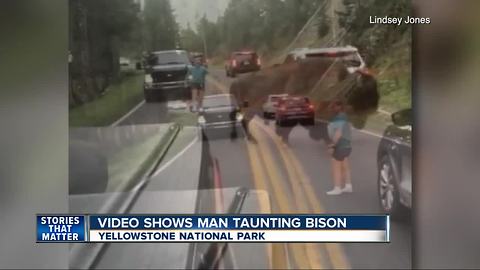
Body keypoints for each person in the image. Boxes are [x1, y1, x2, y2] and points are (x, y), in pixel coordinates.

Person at [326, 100, 353, 195]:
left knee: (336, 167)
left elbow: (338, 133)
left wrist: (332, 145)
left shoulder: (339, 118)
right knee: (345, 166)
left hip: (340, 146)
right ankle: (348, 185)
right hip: (347, 146)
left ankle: (337, 188)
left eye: (332, 107)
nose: (331, 109)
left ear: (338, 107)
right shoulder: (345, 117)